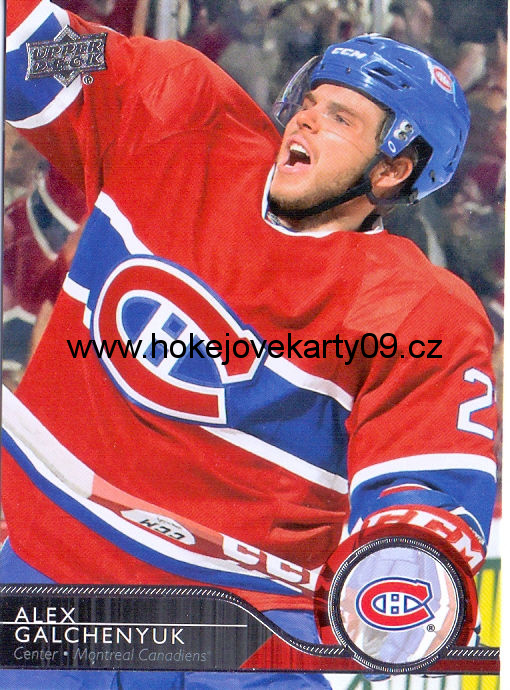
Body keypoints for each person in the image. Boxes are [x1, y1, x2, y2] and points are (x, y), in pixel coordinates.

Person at [3, 2, 498, 688]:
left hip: (235, 642)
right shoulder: (177, 116)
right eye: (310, 103)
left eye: (341, 118)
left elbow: (428, 492)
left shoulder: (419, 312)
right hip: (44, 596)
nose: (306, 121)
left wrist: (404, 568)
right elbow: (37, 52)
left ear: (390, 171)